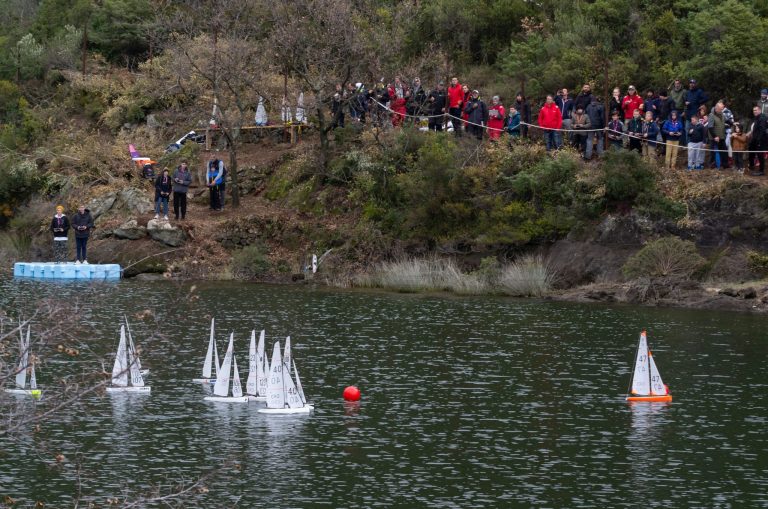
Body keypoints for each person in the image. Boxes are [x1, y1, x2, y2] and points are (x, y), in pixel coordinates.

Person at [708, 101, 729, 169]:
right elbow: (710, 127)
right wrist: (715, 136)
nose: (721, 110)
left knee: (724, 151)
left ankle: (724, 165)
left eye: (722, 109)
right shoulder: (711, 115)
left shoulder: (721, 114)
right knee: (713, 153)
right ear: (716, 108)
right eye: (720, 109)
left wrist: (733, 123)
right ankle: (712, 165)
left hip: (722, 136)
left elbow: (727, 120)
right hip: (714, 138)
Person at [748, 105, 768, 175]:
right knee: (751, 149)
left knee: (760, 154)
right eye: (754, 110)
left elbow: (762, 130)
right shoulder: (756, 118)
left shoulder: (762, 118)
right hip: (755, 138)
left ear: (759, 110)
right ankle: (751, 165)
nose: (754, 112)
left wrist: (759, 140)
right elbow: (755, 129)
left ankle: (761, 171)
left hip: (761, 139)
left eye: (756, 110)